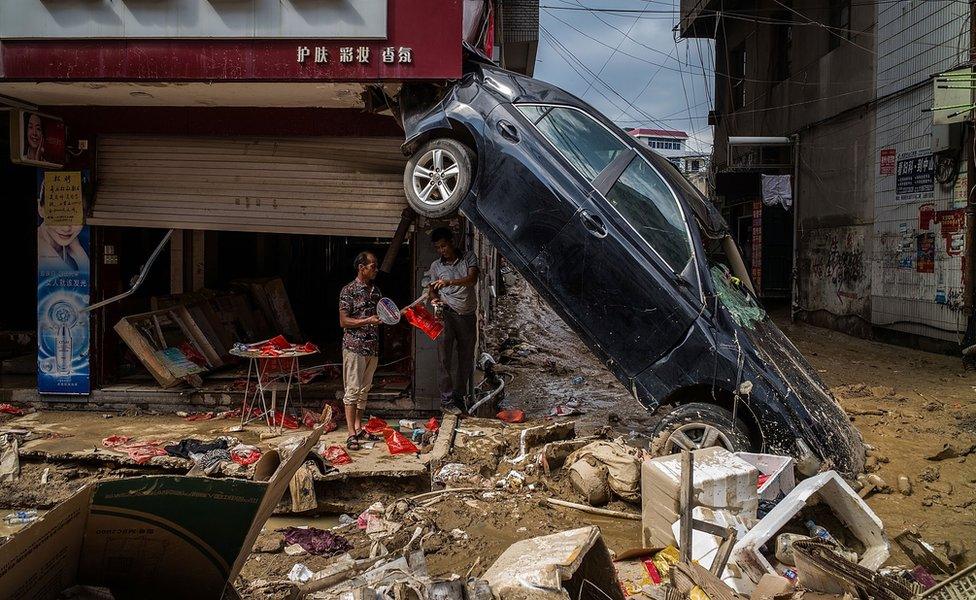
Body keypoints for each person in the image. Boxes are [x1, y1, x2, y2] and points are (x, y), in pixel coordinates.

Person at [423, 227, 479, 412]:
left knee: (465, 357)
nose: (442, 250)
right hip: (445, 314)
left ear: (452, 242)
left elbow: (472, 279)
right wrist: (434, 298)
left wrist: (449, 282)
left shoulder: (469, 257)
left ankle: (459, 396)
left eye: (444, 246)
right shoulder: (436, 266)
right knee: (444, 358)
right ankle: (446, 401)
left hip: (467, 316)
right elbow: (432, 290)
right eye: (438, 248)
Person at [338, 251, 382, 450]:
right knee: (353, 391)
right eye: (372, 266)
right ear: (361, 267)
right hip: (354, 347)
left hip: (372, 348)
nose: (376, 269)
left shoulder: (376, 292)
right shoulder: (348, 290)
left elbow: (382, 316)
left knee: (364, 391)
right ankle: (350, 434)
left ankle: (359, 426)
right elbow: (344, 321)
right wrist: (368, 320)